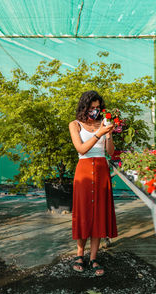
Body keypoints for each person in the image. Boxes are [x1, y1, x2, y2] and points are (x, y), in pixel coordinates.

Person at [69, 90, 118, 276]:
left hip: (101, 170)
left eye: (98, 108)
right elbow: (81, 149)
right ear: (85, 107)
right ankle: (80, 254)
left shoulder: (103, 124)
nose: (95, 111)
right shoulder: (75, 125)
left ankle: (94, 257)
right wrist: (99, 134)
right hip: (83, 171)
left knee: (99, 213)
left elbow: (111, 152)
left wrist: (109, 134)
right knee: (83, 213)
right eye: (92, 108)